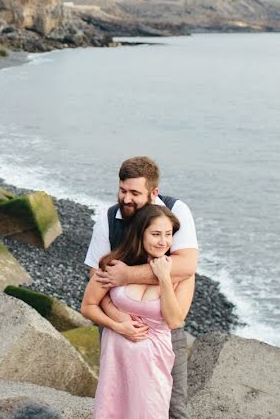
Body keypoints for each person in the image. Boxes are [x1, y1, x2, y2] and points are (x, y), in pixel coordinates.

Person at [84, 156, 198, 418]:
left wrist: (127, 276)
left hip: (162, 334)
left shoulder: (175, 212)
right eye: (122, 190)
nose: (126, 199)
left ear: (153, 192)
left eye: (135, 193)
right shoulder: (109, 218)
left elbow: (186, 266)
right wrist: (118, 319)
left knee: (175, 407)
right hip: (118, 334)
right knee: (115, 402)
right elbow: (97, 276)